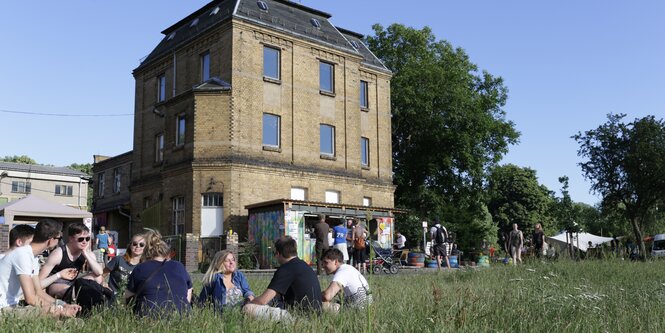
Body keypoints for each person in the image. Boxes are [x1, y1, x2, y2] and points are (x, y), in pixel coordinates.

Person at [0, 218, 80, 317]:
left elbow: (38, 292)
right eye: (59, 238)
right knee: (53, 311)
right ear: (50, 240)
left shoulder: (33, 257)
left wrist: (64, 305)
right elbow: (30, 298)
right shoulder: (23, 255)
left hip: (12, 306)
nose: (60, 242)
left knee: (53, 310)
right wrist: (59, 309)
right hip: (3, 308)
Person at [244, 236, 322, 322]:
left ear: (278, 253)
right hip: (315, 317)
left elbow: (264, 300)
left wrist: (251, 302)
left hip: (299, 318)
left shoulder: (286, 269)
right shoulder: (304, 266)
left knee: (248, 308)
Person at [125, 229, 192, 318]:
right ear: (166, 252)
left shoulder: (140, 268)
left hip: (147, 318)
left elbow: (128, 296)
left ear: (146, 252)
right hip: (181, 317)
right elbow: (188, 291)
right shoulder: (179, 266)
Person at [40, 222, 105, 299]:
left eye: (87, 239)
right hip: (56, 283)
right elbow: (39, 282)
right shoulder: (58, 254)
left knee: (98, 278)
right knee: (71, 290)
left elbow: (99, 272)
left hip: (73, 282)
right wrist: (59, 275)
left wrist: (85, 254)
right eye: (81, 239)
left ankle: (97, 299)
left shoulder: (87, 253)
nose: (85, 242)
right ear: (71, 239)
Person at [320, 248, 371, 312]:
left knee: (318, 304)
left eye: (326, 262)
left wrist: (314, 295)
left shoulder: (342, 272)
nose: (323, 266)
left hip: (357, 310)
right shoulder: (348, 268)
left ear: (336, 262)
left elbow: (327, 296)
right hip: (366, 308)